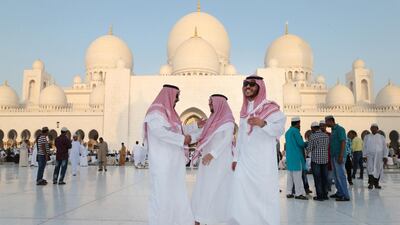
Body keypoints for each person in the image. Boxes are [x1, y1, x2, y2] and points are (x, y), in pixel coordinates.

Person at [229, 75, 286, 225]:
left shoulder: (270, 108)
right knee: (241, 193)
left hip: (263, 162)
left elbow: (280, 128)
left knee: (263, 195)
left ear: (260, 87)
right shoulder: (244, 111)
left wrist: (263, 123)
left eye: (252, 84)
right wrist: (235, 158)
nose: (247, 87)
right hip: (245, 161)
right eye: (245, 84)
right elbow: (240, 137)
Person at [143, 84, 193, 225]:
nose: (177, 100)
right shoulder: (155, 113)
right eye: (176, 97)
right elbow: (159, 132)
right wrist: (182, 139)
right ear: (169, 95)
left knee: (175, 195)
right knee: (162, 196)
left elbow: (178, 129)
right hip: (162, 163)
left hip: (173, 164)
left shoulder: (169, 115)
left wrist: (196, 126)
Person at [190, 94, 235, 225]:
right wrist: (188, 138)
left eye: (211, 102)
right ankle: (200, 217)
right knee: (204, 187)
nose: (209, 104)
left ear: (219, 103)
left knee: (217, 189)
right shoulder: (211, 121)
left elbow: (227, 140)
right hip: (207, 162)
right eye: (209, 102)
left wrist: (212, 154)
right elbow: (201, 135)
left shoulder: (228, 120)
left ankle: (215, 219)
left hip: (220, 161)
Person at [325, 115, 350, 201]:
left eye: (326, 121)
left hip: (339, 156)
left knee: (341, 175)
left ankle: (345, 195)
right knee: (335, 176)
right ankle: (339, 192)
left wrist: (341, 155)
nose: (325, 123)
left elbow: (343, 142)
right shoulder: (333, 131)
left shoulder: (340, 129)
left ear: (331, 121)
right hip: (333, 156)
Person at [285, 117, 308, 200]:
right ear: (298, 123)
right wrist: (307, 142)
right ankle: (299, 194)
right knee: (297, 176)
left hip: (289, 157)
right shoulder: (295, 131)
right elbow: (301, 143)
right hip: (296, 157)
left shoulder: (287, 132)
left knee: (290, 176)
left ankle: (289, 192)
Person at [306, 121, 329, 201]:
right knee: (324, 178)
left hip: (316, 161)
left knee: (317, 178)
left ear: (312, 128)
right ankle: (325, 195)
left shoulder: (312, 136)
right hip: (325, 160)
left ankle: (320, 196)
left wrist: (305, 154)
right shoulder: (326, 136)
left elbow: (309, 148)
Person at [363, 123, 388, 189]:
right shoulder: (367, 137)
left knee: (378, 169)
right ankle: (371, 183)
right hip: (369, 156)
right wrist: (364, 155)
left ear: (377, 129)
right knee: (370, 169)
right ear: (370, 129)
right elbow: (364, 147)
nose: (373, 129)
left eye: (375, 128)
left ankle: (376, 183)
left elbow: (385, 147)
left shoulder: (381, 137)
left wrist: (385, 156)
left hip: (379, 156)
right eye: (372, 128)